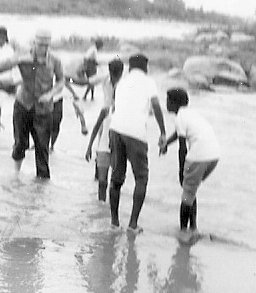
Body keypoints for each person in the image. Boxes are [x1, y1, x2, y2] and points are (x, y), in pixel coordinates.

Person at [108, 53, 166, 231]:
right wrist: (163, 132)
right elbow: (155, 106)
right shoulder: (149, 82)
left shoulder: (122, 82)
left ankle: (114, 222)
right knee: (141, 178)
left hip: (115, 130)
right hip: (136, 133)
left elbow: (116, 107)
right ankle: (132, 224)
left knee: (117, 178)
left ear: (130, 67)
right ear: (146, 68)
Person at [0, 29, 64, 179]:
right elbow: (0, 67)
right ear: (34, 43)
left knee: (42, 148)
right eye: (40, 45)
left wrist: (50, 94)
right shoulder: (23, 55)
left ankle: (42, 187)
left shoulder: (54, 60)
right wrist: (17, 59)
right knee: (20, 143)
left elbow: (61, 81)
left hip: (44, 108)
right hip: (23, 104)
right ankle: (16, 175)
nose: (44, 49)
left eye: (47, 45)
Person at [161, 88, 220, 239]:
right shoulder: (190, 114)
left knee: (187, 194)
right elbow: (180, 133)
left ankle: (183, 232)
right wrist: (166, 142)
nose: (166, 103)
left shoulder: (180, 117)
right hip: (213, 156)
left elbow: (182, 147)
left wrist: (181, 169)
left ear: (174, 103)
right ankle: (193, 228)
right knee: (190, 191)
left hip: (199, 156)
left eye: (168, 100)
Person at [85, 58, 124, 201]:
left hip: (116, 142)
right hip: (105, 136)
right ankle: (101, 206)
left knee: (114, 181)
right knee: (102, 181)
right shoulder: (106, 107)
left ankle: (109, 207)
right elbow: (96, 128)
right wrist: (89, 147)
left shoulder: (125, 88)